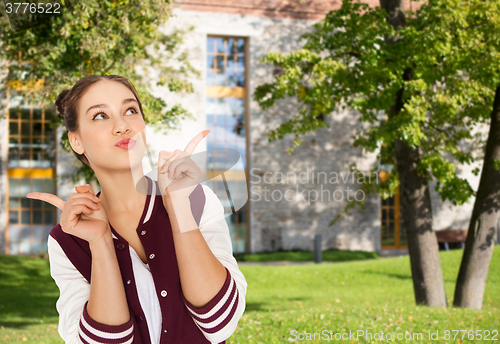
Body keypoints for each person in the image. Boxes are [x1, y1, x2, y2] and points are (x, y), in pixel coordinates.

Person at [26, 75, 247, 344]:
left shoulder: (196, 200)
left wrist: (178, 207)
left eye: (130, 111)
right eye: (100, 116)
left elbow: (220, 323)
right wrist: (100, 242)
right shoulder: (66, 239)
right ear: (76, 141)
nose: (122, 126)